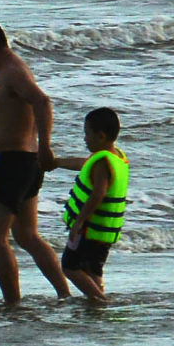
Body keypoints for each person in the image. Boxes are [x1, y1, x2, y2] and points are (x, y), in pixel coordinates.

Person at [0, 14, 72, 305]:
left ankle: (12, 303)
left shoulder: (12, 71)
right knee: (26, 235)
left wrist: (46, 146)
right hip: (23, 162)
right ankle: (64, 294)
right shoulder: (12, 69)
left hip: (12, 162)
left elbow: (42, 101)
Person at [53, 107, 129, 301]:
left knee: (70, 267)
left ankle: (100, 300)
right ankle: (96, 302)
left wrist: (79, 221)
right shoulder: (116, 157)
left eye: (87, 133)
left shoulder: (102, 163)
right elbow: (83, 164)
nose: (85, 139)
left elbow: (98, 194)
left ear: (100, 136)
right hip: (104, 231)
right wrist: (58, 162)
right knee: (93, 269)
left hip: (88, 228)